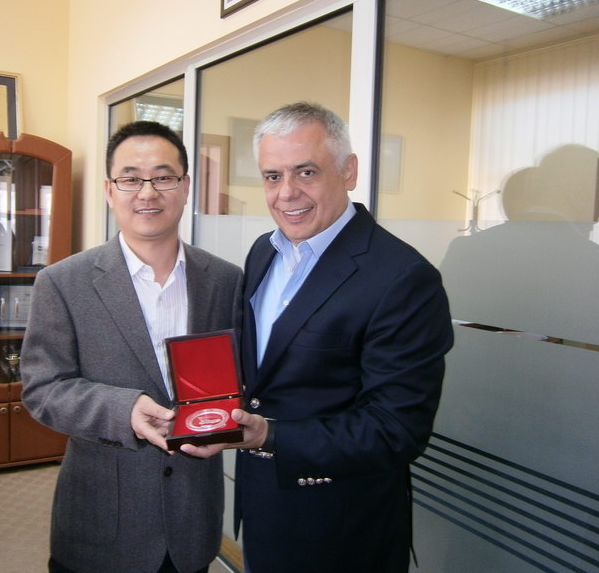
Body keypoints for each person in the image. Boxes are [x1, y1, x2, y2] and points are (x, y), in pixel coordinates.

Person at [181, 103, 454, 572]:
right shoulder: (265, 251)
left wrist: (268, 434)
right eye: (272, 176)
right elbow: (265, 375)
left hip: (342, 527)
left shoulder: (403, 277)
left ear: (348, 171)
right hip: (264, 505)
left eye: (306, 172)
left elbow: (397, 429)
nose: (287, 193)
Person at [21, 120, 243, 573]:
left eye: (163, 177)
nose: (147, 192)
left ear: (185, 187)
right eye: (130, 179)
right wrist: (123, 410)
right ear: (109, 189)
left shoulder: (226, 280)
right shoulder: (62, 282)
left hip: (192, 517)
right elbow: (43, 389)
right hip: (102, 521)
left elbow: (239, 377)